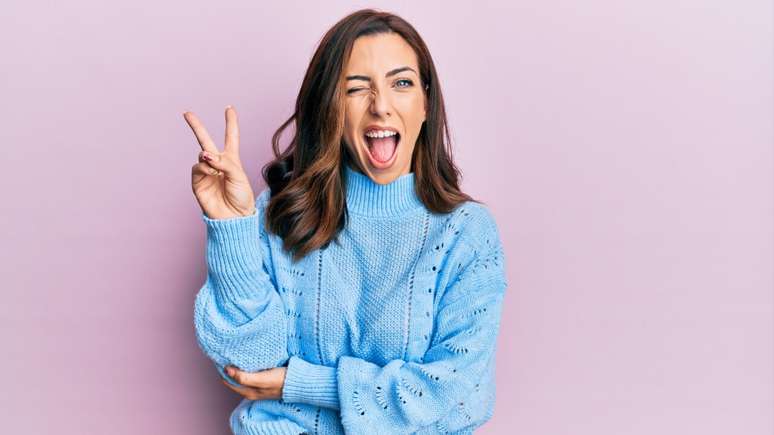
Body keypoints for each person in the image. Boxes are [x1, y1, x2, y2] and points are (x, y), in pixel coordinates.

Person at [184, 8, 508, 435]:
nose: (381, 106)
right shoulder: (281, 212)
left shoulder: (467, 234)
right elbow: (248, 367)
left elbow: (458, 396)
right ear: (331, 108)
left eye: (401, 83)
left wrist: (306, 383)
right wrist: (232, 229)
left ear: (426, 103)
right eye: (356, 88)